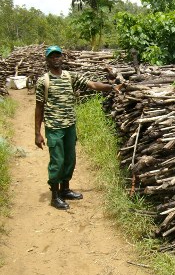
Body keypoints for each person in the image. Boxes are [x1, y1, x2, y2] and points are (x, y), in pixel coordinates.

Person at [35, 45, 123, 210]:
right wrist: (37, 133)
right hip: (54, 127)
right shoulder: (43, 81)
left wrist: (111, 87)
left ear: (62, 58)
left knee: (70, 159)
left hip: (70, 126)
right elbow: (39, 107)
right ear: (47, 60)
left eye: (57, 56)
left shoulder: (70, 76)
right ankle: (55, 196)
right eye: (52, 56)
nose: (55, 59)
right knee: (57, 161)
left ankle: (65, 189)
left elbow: (93, 85)